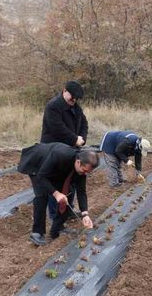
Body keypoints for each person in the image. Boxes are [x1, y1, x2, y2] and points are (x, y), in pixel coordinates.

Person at [17, 142, 98, 246]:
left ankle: (57, 229)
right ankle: (37, 232)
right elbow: (42, 177)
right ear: (78, 162)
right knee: (42, 195)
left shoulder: (82, 167)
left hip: (56, 169)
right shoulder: (60, 155)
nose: (85, 174)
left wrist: (85, 214)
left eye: (88, 172)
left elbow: (81, 191)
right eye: (84, 170)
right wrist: (56, 193)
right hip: (37, 164)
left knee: (68, 193)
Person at [40, 80, 88, 220]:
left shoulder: (76, 108)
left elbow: (84, 124)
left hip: (70, 150)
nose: (74, 100)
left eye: (76, 98)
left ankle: (67, 211)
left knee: (71, 182)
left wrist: (82, 138)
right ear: (64, 91)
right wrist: (74, 139)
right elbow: (58, 128)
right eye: (72, 97)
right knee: (56, 184)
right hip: (53, 150)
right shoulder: (53, 106)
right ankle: (56, 217)